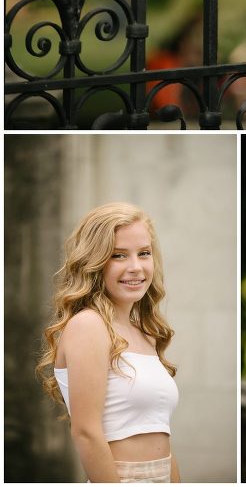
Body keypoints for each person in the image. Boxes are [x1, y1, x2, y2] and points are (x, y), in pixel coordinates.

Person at [36, 203, 180, 483]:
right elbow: (86, 432)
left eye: (144, 253)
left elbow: (163, 436)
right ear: (95, 261)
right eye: (119, 255)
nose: (136, 267)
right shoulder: (88, 326)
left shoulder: (145, 332)